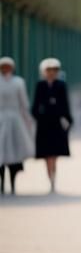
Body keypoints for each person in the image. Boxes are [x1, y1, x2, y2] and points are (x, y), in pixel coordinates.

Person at [32, 57, 71, 193]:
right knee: (46, 154)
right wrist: (38, 116)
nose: (51, 73)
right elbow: (35, 105)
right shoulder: (40, 85)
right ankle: (50, 178)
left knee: (55, 154)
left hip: (56, 123)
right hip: (44, 124)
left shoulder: (61, 85)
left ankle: (54, 178)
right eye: (49, 70)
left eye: (54, 70)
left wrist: (67, 120)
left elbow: (65, 104)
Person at [0, 56, 35, 194]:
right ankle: (2, 182)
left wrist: (27, 121)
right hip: (2, 118)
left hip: (15, 120)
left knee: (14, 152)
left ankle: (13, 182)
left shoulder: (18, 82)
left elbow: (24, 103)